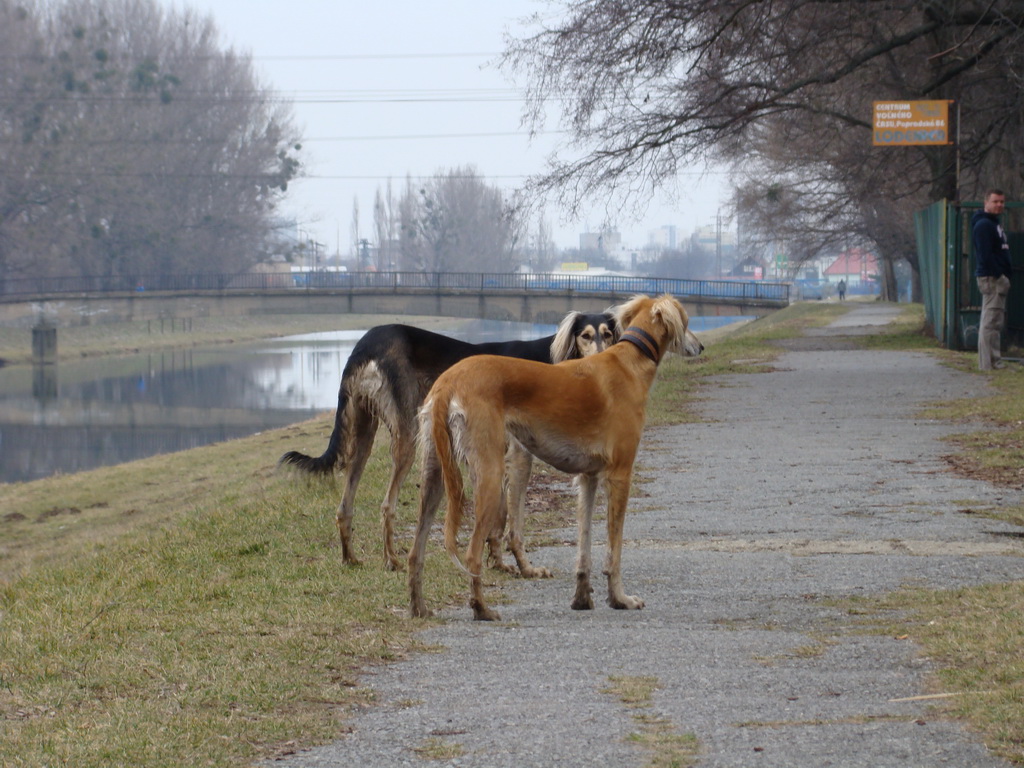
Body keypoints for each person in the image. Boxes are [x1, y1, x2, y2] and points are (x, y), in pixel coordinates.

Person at [972, 188, 1012, 370]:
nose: (999, 205)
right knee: (990, 321)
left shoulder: (993, 224)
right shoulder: (983, 225)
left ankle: (994, 361)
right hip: (991, 278)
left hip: (995, 277)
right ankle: (987, 364)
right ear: (986, 202)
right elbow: (985, 255)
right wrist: (999, 275)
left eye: (1002, 202)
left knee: (995, 320)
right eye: (995, 201)